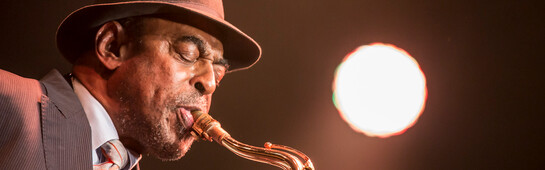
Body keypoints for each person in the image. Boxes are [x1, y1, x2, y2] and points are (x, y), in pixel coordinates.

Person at [0, 0, 261, 169]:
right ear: (112, 46)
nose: (210, 83)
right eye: (188, 54)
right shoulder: (6, 101)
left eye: (219, 74)